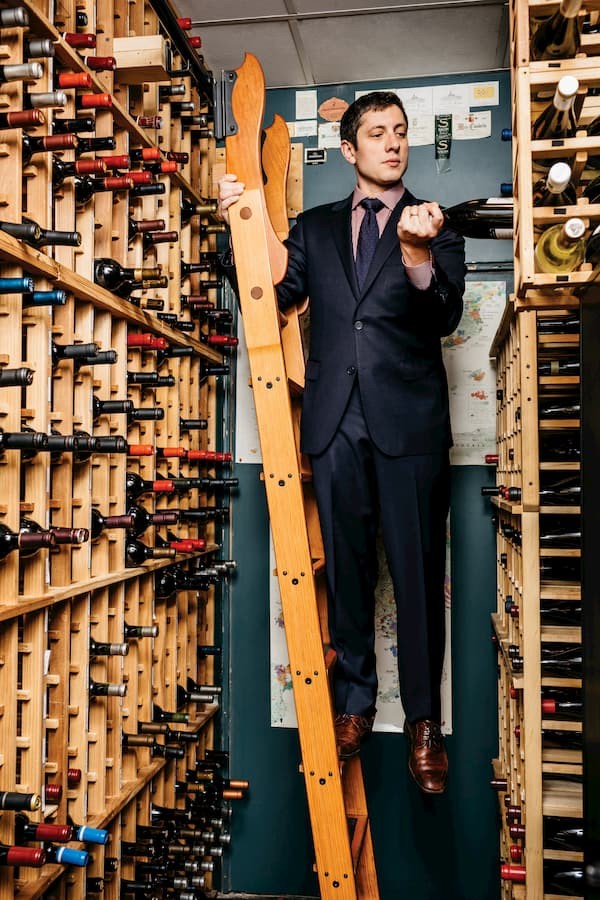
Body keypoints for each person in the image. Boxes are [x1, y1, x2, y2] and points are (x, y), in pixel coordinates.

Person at [218, 91, 465, 795]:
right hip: (334, 421)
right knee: (351, 574)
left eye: (401, 132)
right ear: (350, 152)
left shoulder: (435, 223)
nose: (393, 144)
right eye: (377, 135)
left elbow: (444, 314)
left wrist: (418, 254)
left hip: (411, 425)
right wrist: (237, 220)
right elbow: (272, 286)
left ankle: (424, 724)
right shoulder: (315, 227)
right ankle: (355, 701)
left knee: (417, 576)